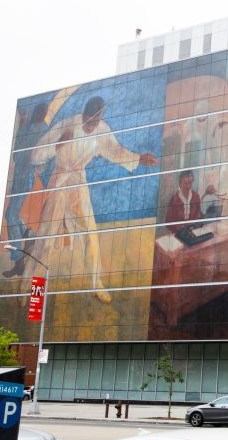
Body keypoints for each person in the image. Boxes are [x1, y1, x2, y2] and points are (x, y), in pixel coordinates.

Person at [23, 96, 158, 303]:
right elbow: (36, 155)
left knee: (90, 233)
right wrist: (58, 144)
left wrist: (138, 158)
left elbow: (115, 151)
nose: (90, 127)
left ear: (100, 118)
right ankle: (32, 294)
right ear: (83, 115)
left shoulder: (101, 130)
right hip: (59, 182)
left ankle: (96, 285)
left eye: (94, 123)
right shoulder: (66, 125)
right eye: (88, 122)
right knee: (46, 240)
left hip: (78, 183)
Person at [3, 103, 49, 278]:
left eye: (39, 111)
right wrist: (22, 126)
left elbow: (40, 160)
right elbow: (16, 154)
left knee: (10, 216)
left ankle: (18, 260)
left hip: (25, 178)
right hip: (19, 178)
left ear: (43, 113)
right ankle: (29, 235)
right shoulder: (29, 126)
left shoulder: (43, 130)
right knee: (12, 215)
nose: (36, 114)